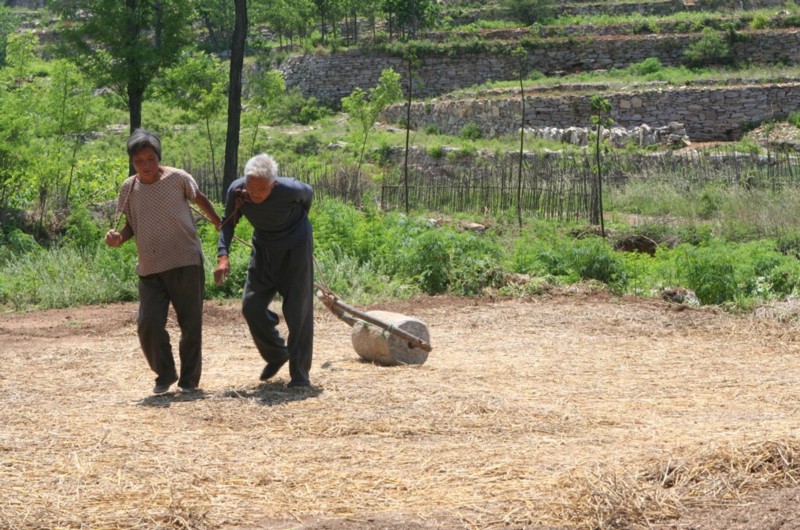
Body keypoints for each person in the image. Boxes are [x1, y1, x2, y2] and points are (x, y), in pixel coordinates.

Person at [105, 129, 222, 395]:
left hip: (185, 261)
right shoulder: (129, 188)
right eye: (139, 161)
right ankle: (165, 373)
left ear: (159, 157)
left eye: (150, 159)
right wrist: (117, 239)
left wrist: (218, 221)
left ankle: (189, 381)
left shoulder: (178, 178)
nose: (145, 165)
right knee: (148, 324)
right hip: (150, 267)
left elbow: (199, 198)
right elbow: (129, 226)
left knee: (190, 324)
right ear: (132, 162)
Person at [214, 153, 314, 388]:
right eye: (251, 188)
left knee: (297, 311)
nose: (254, 195)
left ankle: (300, 375)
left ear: (274, 184)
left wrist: (293, 228)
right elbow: (227, 223)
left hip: (296, 249)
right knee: (251, 306)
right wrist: (222, 256)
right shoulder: (237, 191)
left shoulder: (291, 190)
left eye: (261, 190)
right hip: (264, 249)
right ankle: (277, 353)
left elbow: (307, 199)